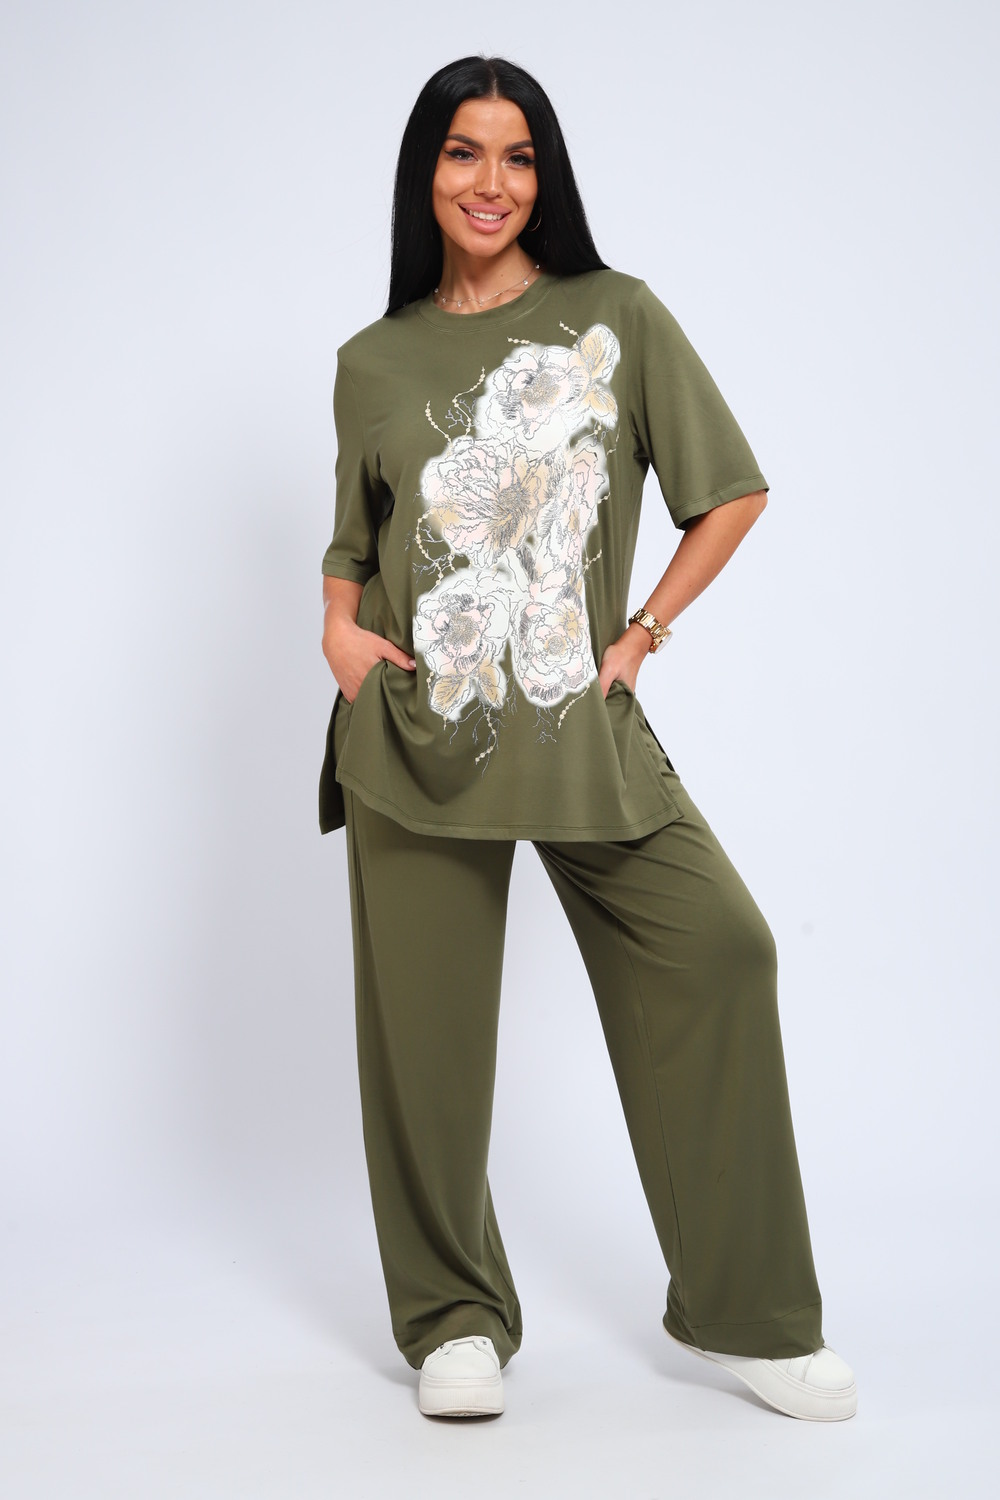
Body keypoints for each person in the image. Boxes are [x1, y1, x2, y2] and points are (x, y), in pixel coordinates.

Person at [319, 54, 857, 1424]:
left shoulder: (615, 315)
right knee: (426, 1045)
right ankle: (453, 1319)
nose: (490, 182)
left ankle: (750, 1314)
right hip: (415, 739)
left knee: (722, 948)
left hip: (578, 730)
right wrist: (336, 629)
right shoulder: (373, 360)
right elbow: (354, 541)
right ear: (425, 173)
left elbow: (729, 493)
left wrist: (643, 633)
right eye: (463, 152)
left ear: (544, 178)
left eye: (518, 156)